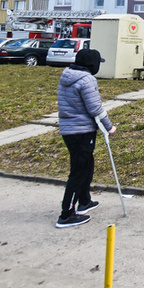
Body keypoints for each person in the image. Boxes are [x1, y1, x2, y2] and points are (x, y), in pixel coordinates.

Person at [56, 48, 114, 228]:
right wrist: (109, 127)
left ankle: (84, 200)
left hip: (69, 130)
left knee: (87, 164)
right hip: (81, 131)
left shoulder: (67, 75)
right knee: (79, 170)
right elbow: (95, 108)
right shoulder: (87, 80)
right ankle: (67, 213)